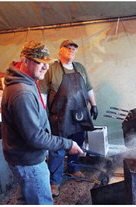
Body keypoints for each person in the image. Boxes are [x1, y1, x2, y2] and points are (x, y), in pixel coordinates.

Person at [1, 40, 83, 205]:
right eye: (41, 63)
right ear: (25, 61)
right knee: (41, 201)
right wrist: (67, 144)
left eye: (47, 62)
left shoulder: (26, 81)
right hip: (28, 160)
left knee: (29, 197)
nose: (46, 67)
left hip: (23, 157)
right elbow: (35, 138)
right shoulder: (22, 92)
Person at [39, 40, 98, 197]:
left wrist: (94, 105)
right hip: (59, 117)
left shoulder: (80, 68)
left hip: (79, 115)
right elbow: (43, 94)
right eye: (68, 48)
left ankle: (74, 169)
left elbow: (89, 88)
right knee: (57, 149)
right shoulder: (52, 69)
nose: (71, 50)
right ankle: (54, 181)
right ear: (60, 51)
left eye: (73, 49)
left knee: (76, 144)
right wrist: (42, 116)